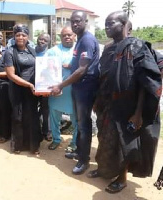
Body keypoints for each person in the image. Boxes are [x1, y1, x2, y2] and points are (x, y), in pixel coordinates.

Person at [87, 11, 161, 194]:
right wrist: (97, 100)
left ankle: (122, 178)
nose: (106, 27)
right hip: (106, 104)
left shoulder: (136, 46)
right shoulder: (108, 48)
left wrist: (137, 113)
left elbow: (146, 82)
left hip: (126, 107)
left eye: (111, 23)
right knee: (104, 140)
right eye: (105, 24)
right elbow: (103, 77)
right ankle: (104, 169)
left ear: (124, 24)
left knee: (122, 144)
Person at [50, 11, 100, 174]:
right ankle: (79, 152)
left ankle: (84, 161)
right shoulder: (80, 40)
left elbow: (82, 69)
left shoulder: (86, 40)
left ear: (86, 21)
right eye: (73, 22)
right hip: (79, 88)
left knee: (84, 126)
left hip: (86, 88)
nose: (75, 24)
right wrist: (68, 66)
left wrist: (60, 85)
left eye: (78, 21)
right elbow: (77, 63)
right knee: (79, 123)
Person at [4, 24, 42, 155]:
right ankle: (18, 145)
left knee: (32, 116)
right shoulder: (9, 52)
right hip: (17, 89)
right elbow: (11, 75)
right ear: (14, 36)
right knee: (18, 116)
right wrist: (28, 84)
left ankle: (33, 146)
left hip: (32, 90)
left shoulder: (33, 51)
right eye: (18, 35)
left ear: (28, 37)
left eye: (23, 35)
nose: (20, 37)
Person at [46, 27, 78, 151]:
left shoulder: (79, 49)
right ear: (60, 37)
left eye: (69, 35)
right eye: (64, 35)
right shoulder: (52, 51)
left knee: (76, 118)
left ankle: (74, 142)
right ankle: (56, 139)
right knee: (54, 116)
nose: (67, 37)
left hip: (74, 91)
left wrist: (72, 66)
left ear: (74, 35)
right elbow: (45, 70)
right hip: (56, 91)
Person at [35, 33, 52, 142]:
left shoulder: (51, 54)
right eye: (40, 39)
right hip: (31, 85)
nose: (42, 41)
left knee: (46, 110)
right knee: (32, 109)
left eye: (45, 40)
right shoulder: (31, 50)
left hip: (45, 86)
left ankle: (47, 131)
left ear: (48, 43)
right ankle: (36, 132)